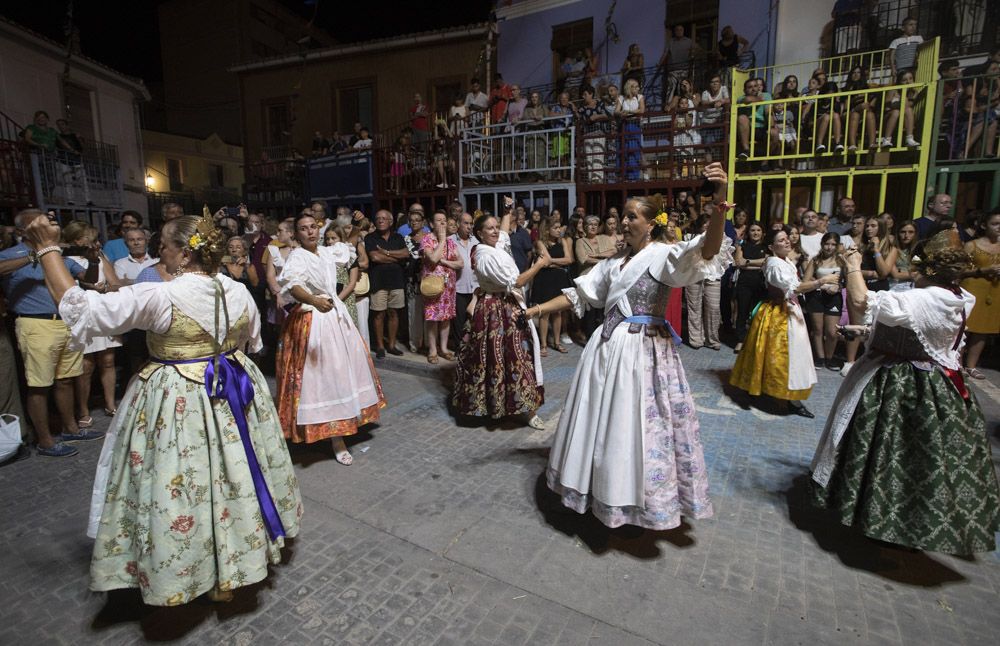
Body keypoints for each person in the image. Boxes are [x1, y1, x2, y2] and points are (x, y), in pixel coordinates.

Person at [25, 211, 302, 604]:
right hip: (234, 387)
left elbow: (81, 311)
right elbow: (252, 342)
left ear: (185, 255)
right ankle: (236, 557)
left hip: (179, 397)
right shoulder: (236, 290)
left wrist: (47, 248)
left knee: (181, 481)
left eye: (165, 248)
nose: (162, 255)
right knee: (232, 473)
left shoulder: (161, 294)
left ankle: (189, 571)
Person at [529, 162, 733, 530]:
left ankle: (633, 499)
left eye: (631, 217)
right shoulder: (613, 264)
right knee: (602, 422)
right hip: (606, 350)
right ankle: (597, 488)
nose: (624, 223)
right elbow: (580, 294)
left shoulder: (664, 255)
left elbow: (707, 250)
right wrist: (533, 310)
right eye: (622, 217)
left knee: (634, 426)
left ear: (651, 223)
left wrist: (719, 202)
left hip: (643, 354)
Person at [811, 240, 1000, 555]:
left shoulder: (929, 297)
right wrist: (867, 332)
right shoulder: (957, 296)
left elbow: (860, 300)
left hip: (907, 386)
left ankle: (891, 523)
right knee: (920, 460)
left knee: (893, 451)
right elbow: (920, 331)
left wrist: (854, 265)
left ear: (923, 268)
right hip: (936, 384)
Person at [277, 213, 385, 466]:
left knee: (342, 372)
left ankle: (342, 429)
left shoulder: (326, 252)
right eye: (303, 229)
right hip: (313, 317)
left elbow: (347, 245)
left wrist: (358, 227)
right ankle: (333, 436)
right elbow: (293, 286)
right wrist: (314, 300)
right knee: (322, 376)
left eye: (313, 227)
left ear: (319, 228)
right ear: (297, 234)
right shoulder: (297, 257)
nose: (309, 232)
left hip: (335, 315)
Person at [0, 209, 94, 457]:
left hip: (65, 323)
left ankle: (71, 428)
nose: (46, 224)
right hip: (36, 324)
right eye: (38, 222)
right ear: (22, 231)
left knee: (65, 380)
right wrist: (37, 253)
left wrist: (94, 260)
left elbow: (89, 279)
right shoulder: (10, 255)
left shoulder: (58, 254)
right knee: (39, 385)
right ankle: (45, 441)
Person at [452, 199, 548, 428]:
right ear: (479, 233)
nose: (496, 231)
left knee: (519, 357)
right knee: (501, 359)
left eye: (496, 226)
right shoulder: (484, 257)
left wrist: (507, 212)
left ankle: (527, 409)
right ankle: (500, 406)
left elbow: (504, 233)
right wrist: (540, 264)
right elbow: (515, 281)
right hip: (495, 311)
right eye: (490, 228)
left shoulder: (494, 245)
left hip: (507, 305)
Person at [730, 227, 838, 418]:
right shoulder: (773, 264)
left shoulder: (785, 260)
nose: (787, 242)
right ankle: (790, 400)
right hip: (779, 314)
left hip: (788, 310)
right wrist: (822, 281)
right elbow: (793, 288)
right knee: (786, 357)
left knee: (774, 354)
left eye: (787, 239)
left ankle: (775, 393)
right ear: (771, 246)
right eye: (781, 240)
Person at [62, 221, 122, 424]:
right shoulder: (64, 260)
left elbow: (115, 284)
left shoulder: (100, 257)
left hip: (103, 311)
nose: (95, 242)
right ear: (77, 240)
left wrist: (105, 289)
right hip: (81, 314)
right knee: (85, 366)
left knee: (107, 361)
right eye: (90, 238)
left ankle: (110, 404)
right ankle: (83, 410)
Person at [365, 210, 410, 358]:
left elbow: (406, 254)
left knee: (394, 313)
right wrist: (395, 257)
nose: (380, 221)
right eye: (378, 218)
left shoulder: (398, 237)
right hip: (378, 282)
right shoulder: (370, 238)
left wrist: (387, 253)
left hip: (396, 281)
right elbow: (375, 257)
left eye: (384, 219)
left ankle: (391, 345)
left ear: (391, 222)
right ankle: (380, 346)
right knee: (379, 315)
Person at [961, 209, 1000, 378]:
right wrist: (983, 270)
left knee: (983, 329)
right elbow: (959, 269)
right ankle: (957, 364)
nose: (999, 227)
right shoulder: (972, 245)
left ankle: (971, 365)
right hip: (972, 287)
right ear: (984, 225)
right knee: (964, 327)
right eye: (995, 224)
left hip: (994, 289)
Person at [421, 211, 462, 364]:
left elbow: (460, 263)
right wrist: (443, 239)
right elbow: (432, 258)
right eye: (439, 220)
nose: (443, 223)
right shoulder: (427, 239)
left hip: (448, 286)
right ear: (432, 224)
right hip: (433, 284)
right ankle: (432, 350)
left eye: (444, 220)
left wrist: (444, 262)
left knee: (446, 317)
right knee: (432, 317)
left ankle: (444, 348)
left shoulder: (451, 242)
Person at [802, 232, 846, 370]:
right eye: (827, 244)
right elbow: (805, 280)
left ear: (838, 246)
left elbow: (848, 280)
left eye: (833, 244)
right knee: (817, 329)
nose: (829, 247)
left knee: (832, 332)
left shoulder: (842, 261)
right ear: (822, 244)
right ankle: (820, 358)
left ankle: (830, 357)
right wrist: (820, 283)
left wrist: (838, 286)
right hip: (816, 296)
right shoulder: (815, 260)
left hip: (834, 297)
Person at [532, 215, 574, 356]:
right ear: (547, 229)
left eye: (559, 227)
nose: (559, 231)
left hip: (559, 278)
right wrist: (553, 262)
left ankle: (557, 342)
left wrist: (552, 261)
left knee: (558, 312)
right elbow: (545, 261)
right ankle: (543, 344)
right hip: (545, 279)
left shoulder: (562, 241)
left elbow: (568, 260)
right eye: (555, 228)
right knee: (544, 313)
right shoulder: (539, 243)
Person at [683, 214, 723, 350]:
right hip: (693, 275)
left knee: (713, 307)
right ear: (700, 224)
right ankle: (696, 339)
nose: (708, 225)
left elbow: (723, 258)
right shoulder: (689, 237)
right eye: (705, 223)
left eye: (710, 223)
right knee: (694, 307)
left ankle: (712, 339)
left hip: (713, 275)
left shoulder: (721, 238)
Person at [732, 220, 767, 352]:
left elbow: (766, 261)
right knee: (742, 312)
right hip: (744, 283)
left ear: (763, 233)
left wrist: (747, 262)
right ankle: (741, 340)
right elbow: (738, 262)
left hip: (760, 283)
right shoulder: (742, 246)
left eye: (758, 230)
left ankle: (755, 340)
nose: (755, 233)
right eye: (753, 230)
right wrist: (757, 263)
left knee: (757, 313)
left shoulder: (767, 247)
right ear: (748, 233)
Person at [323, 225, 362, 331]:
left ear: (341, 238)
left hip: (345, 298)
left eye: (334, 238)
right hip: (328, 299)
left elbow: (352, 283)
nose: (330, 242)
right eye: (327, 239)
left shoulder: (349, 254)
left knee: (347, 329)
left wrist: (337, 300)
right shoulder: (323, 254)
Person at [449, 211, 479, 347]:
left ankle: (471, 348)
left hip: (475, 288)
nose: (469, 226)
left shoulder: (476, 241)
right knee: (458, 321)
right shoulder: (450, 241)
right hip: (458, 288)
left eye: (471, 223)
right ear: (458, 224)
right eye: (465, 223)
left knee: (474, 320)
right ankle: (458, 349)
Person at [617, 79, 645, 181]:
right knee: (624, 150)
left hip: (635, 125)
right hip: (624, 125)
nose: (638, 88)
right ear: (630, 88)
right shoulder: (621, 98)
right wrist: (621, 113)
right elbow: (616, 111)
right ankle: (623, 176)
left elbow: (642, 110)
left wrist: (628, 112)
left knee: (634, 150)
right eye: (636, 86)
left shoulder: (640, 97)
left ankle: (634, 177)